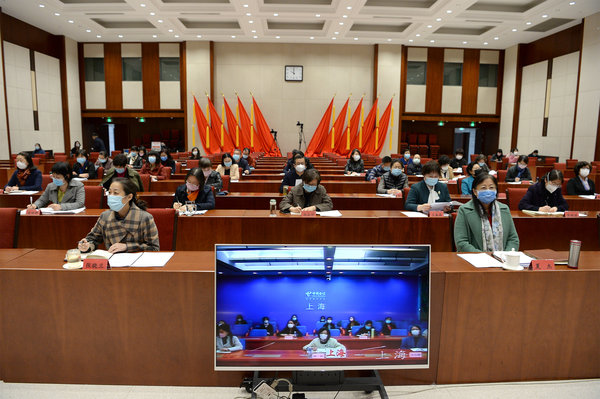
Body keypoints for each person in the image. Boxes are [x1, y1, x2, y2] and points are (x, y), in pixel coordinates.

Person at [78, 178, 159, 253]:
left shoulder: (145, 218)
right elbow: (93, 239)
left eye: (116, 193)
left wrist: (127, 247)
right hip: (112, 263)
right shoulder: (105, 216)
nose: (111, 196)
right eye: (109, 192)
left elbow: (154, 248)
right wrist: (87, 245)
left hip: (137, 265)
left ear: (129, 197)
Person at [454, 173, 520, 252]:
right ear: (475, 191)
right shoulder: (464, 210)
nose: (488, 191)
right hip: (474, 260)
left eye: (491, 187)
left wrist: (506, 256)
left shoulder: (504, 209)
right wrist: (484, 257)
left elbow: (513, 239)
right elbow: (461, 243)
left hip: (503, 260)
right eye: (483, 188)